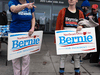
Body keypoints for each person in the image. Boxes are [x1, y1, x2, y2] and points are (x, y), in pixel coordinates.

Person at [55, 0, 84, 75]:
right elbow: (58, 25)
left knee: (77, 57)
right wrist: (56, 39)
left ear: (77, 1)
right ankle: (61, 72)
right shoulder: (62, 11)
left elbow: (83, 24)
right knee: (62, 56)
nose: (71, 0)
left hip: (76, 37)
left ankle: (77, 72)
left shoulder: (80, 13)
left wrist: (81, 26)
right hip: (64, 36)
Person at [8, 0, 36, 75]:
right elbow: (13, 9)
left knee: (26, 58)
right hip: (15, 34)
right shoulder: (13, 2)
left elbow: (33, 18)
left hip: (26, 35)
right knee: (15, 58)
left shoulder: (30, 4)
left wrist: (32, 28)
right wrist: (25, 5)